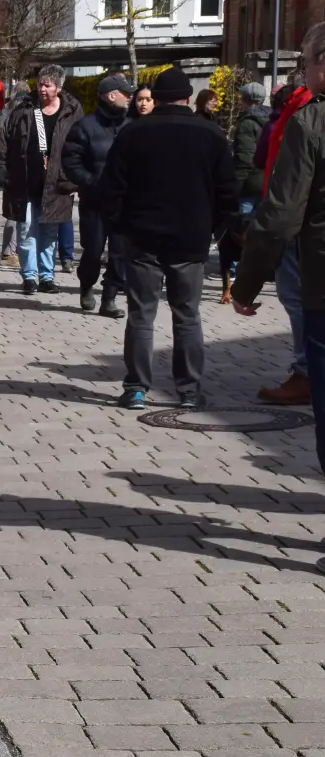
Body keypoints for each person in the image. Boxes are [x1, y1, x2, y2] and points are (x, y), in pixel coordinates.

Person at [100, 65, 238, 411]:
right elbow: (227, 191)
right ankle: (189, 390)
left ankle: (136, 388)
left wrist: (119, 226)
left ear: (155, 99)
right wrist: (218, 229)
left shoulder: (133, 134)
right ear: (188, 99)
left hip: (142, 236)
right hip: (190, 237)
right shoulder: (211, 134)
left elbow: (112, 187)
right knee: (187, 315)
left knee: (141, 314)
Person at [233, 22, 325, 484]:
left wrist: (245, 283)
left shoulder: (312, 122)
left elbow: (282, 212)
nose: (301, 74)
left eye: (305, 63)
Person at [250, 77, 314, 405]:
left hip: (300, 225)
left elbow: (290, 180)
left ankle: (307, 372)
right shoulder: (296, 108)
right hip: (294, 220)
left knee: (299, 300)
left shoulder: (305, 110)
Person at [0, 64, 81, 296]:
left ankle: (47, 276)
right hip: (24, 181)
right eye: (40, 84)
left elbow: (80, 147)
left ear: (59, 87)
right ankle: (29, 276)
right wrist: (2, 168)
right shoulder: (24, 107)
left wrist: (73, 178)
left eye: (48, 85)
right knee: (25, 230)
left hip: (56, 184)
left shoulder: (72, 110)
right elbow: (5, 138)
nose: (42, 89)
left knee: (49, 232)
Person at [61, 73, 131, 317]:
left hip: (124, 203)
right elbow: (71, 161)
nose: (130, 98)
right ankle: (86, 284)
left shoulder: (131, 126)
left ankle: (110, 297)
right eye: (126, 93)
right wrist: (91, 181)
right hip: (95, 201)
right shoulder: (85, 126)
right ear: (111, 96)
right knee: (92, 251)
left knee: (120, 253)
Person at [222, 81, 273, 303]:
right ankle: (260, 270)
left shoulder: (246, 123)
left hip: (249, 183)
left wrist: (237, 186)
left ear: (245, 100)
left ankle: (235, 275)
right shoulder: (273, 119)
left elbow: (244, 158)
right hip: (268, 181)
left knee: (239, 228)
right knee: (261, 228)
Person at [0, 86, 30, 267]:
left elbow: (0, 129)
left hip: (6, 168)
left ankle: (9, 250)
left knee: (12, 213)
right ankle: (10, 251)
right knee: (17, 214)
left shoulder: (7, 108)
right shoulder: (23, 110)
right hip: (15, 169)